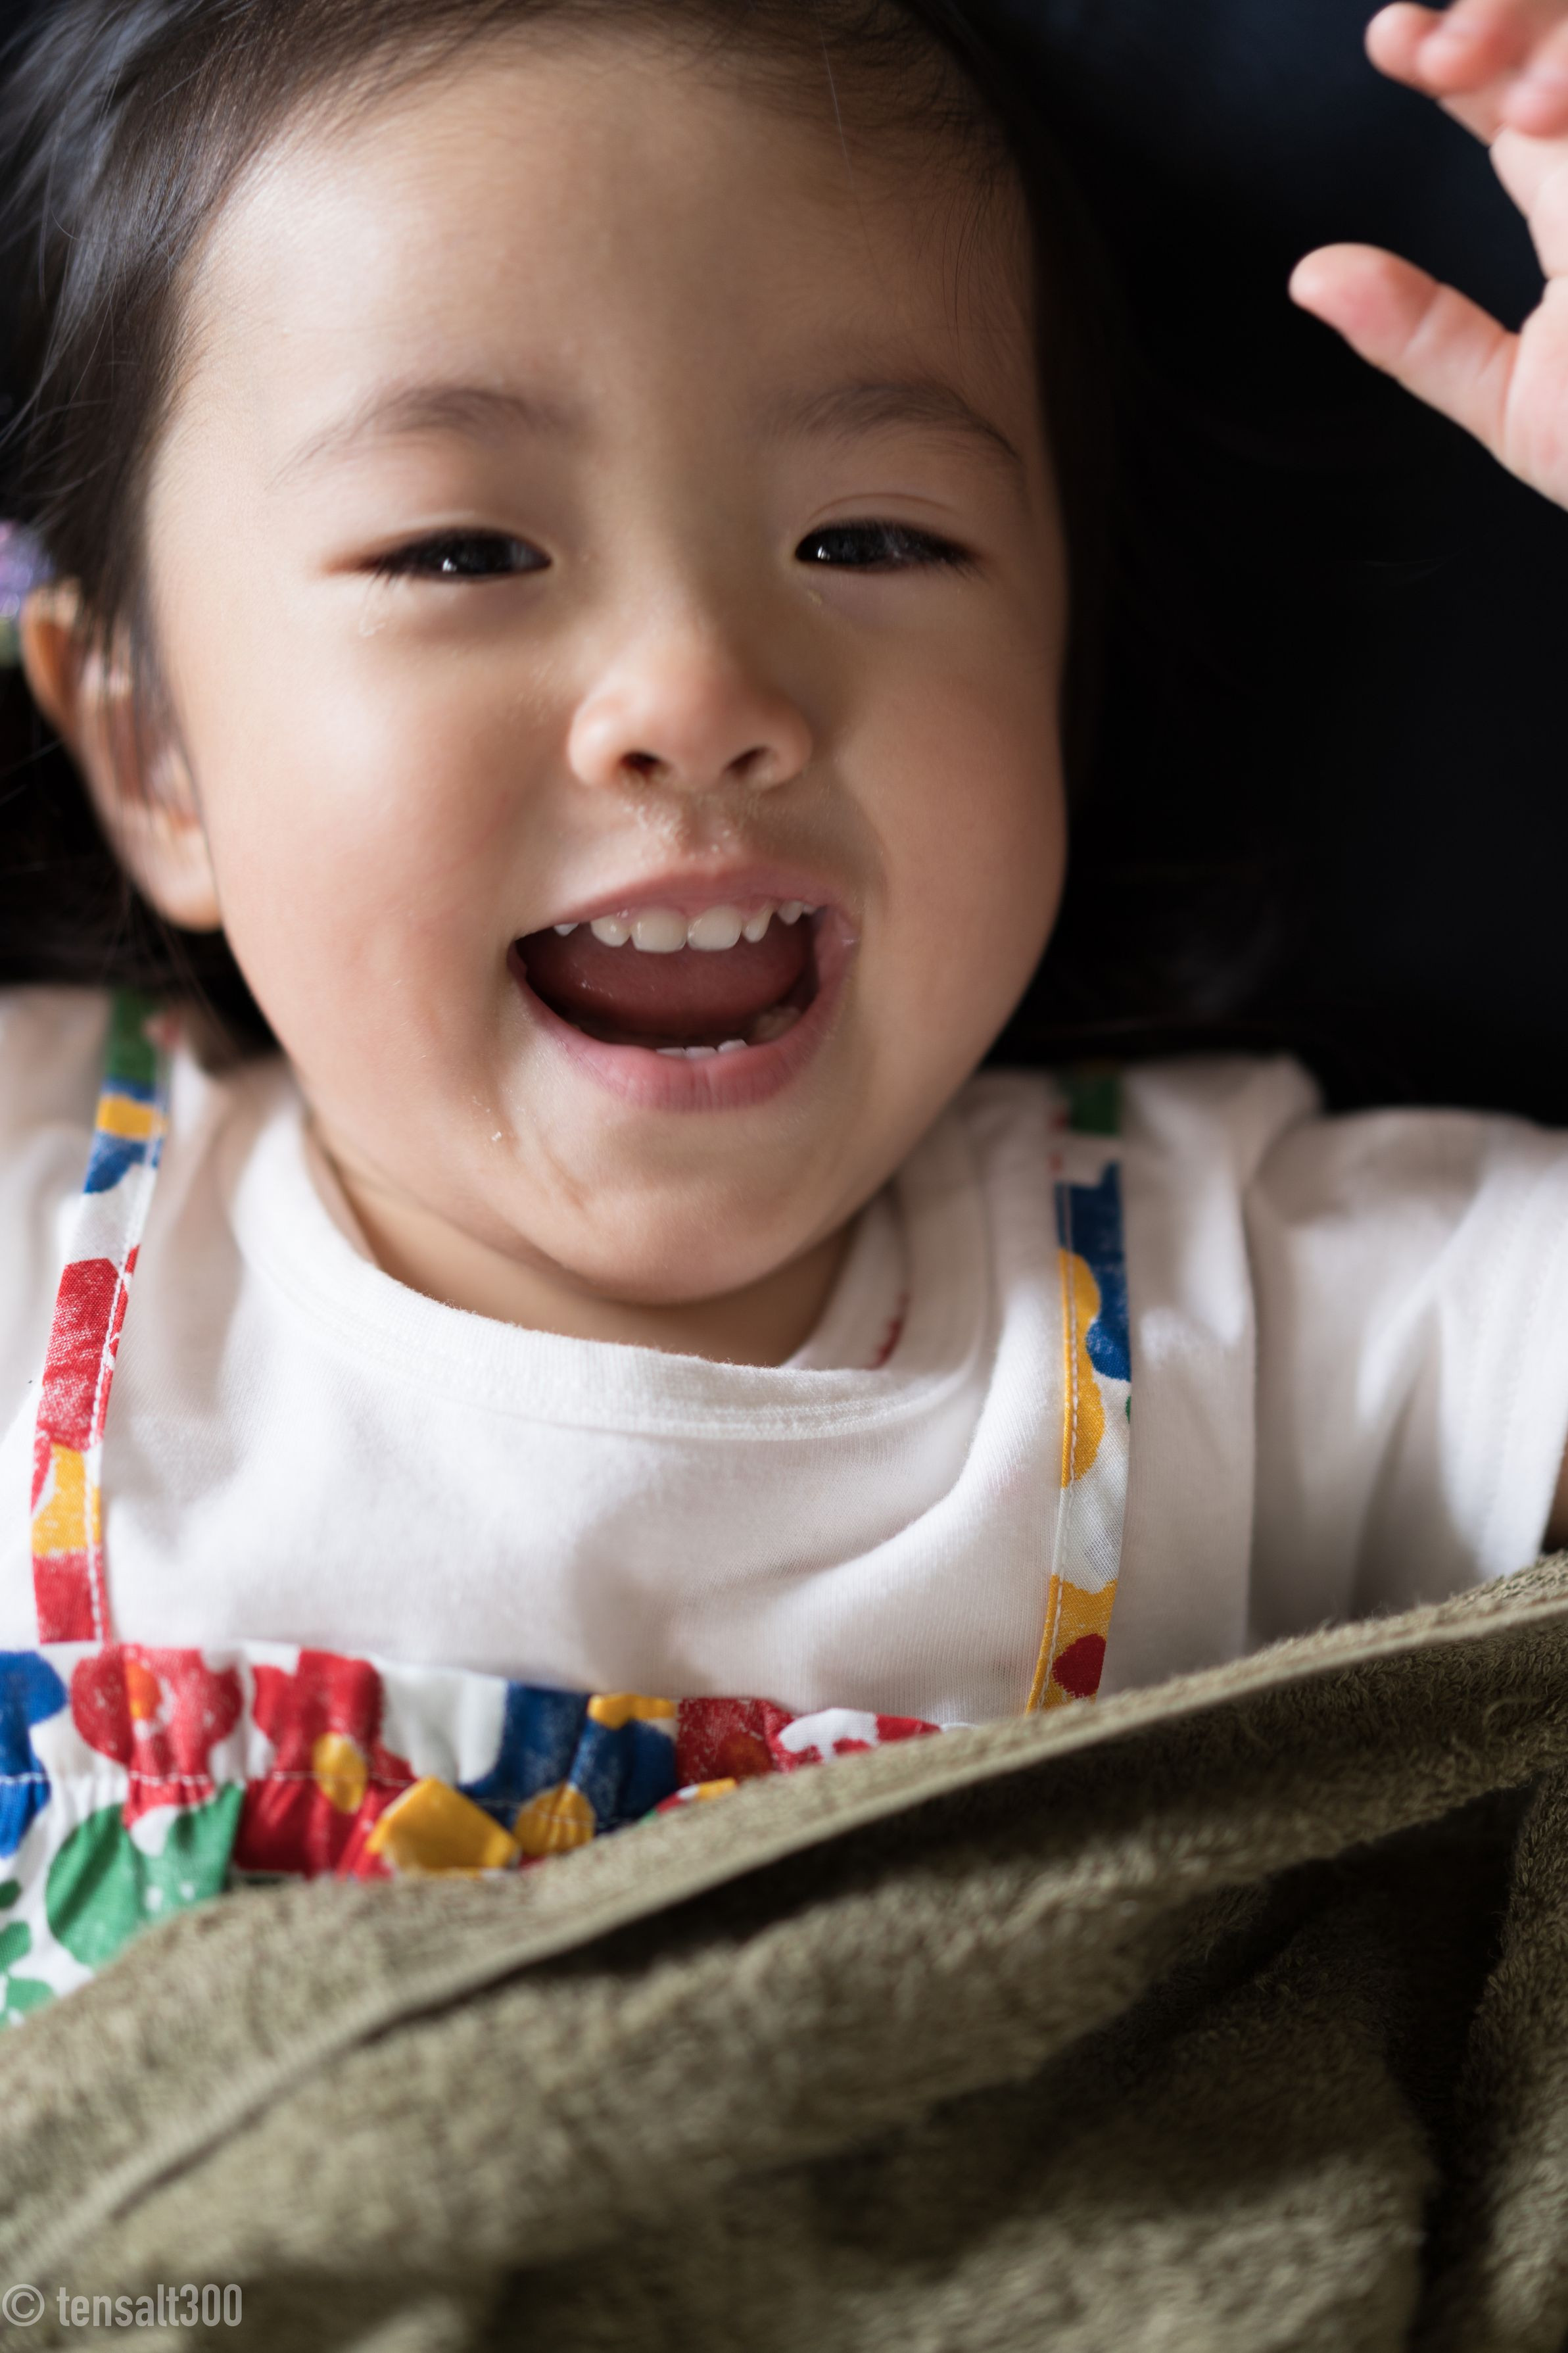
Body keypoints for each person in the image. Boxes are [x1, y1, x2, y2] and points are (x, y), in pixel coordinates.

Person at [0, 0, 1561, 2012]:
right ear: (151, 752)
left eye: (871, 537)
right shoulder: (37, 1193)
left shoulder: (1237, 1311)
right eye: (462, 549)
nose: (698, 690)